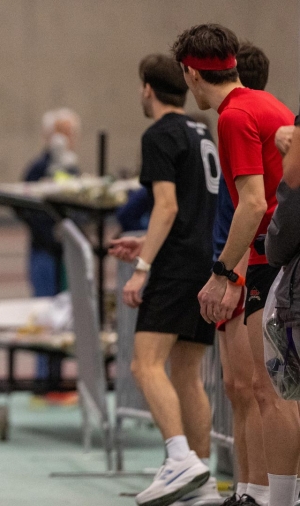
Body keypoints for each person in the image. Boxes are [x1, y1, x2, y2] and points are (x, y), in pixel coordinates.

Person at [173, 23, 299, 506]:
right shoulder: (262, 105)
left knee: (273, 390)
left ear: (191, 73)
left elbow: (253, 204)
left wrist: (223, 273)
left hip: (276, 258)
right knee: (256, 388)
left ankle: (279, 499)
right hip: (271, 254)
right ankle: (257, 491)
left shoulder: (235, 115)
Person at [107, 54, 219, 505]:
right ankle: (204, 482)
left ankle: (179, 460)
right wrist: (145, 243)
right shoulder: (200, 130)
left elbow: (168, 207)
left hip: (174, 267)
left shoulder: (160, 133)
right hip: (206, 260)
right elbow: (191, 207)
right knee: (187, 374)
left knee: (144, 365)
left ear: (148, 89)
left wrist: (143, 268)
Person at [212, 42, 271, 506]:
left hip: (246, 268)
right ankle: (246, 487)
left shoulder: (242, 122)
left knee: (260, 388)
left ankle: (266, 488)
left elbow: (253, 210)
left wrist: (227, 275)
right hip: (236, 264)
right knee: (238, 389)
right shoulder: (233, 127)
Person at [20, 108, 81, 296]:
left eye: (69, 133)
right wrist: (47, 232)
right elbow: (22, 206)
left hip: (69, 251)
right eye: (60, 132)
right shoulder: (38, 169)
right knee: (44, 303)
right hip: (44, 249)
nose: (65, 138)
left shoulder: (73, 169)